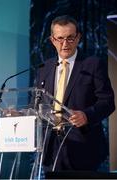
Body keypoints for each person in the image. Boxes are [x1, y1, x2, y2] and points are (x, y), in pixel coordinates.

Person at [34, 15, 115, 172]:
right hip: (51, 149)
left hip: (84, 148)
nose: (65, 44)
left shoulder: (92, 64)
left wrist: (86, 115)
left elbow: (108, 102)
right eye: (60, 39)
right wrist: (17, 113)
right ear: (52, 40)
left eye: (70, 38)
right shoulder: (44, 67)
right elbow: (36, 104)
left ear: (78, 38)